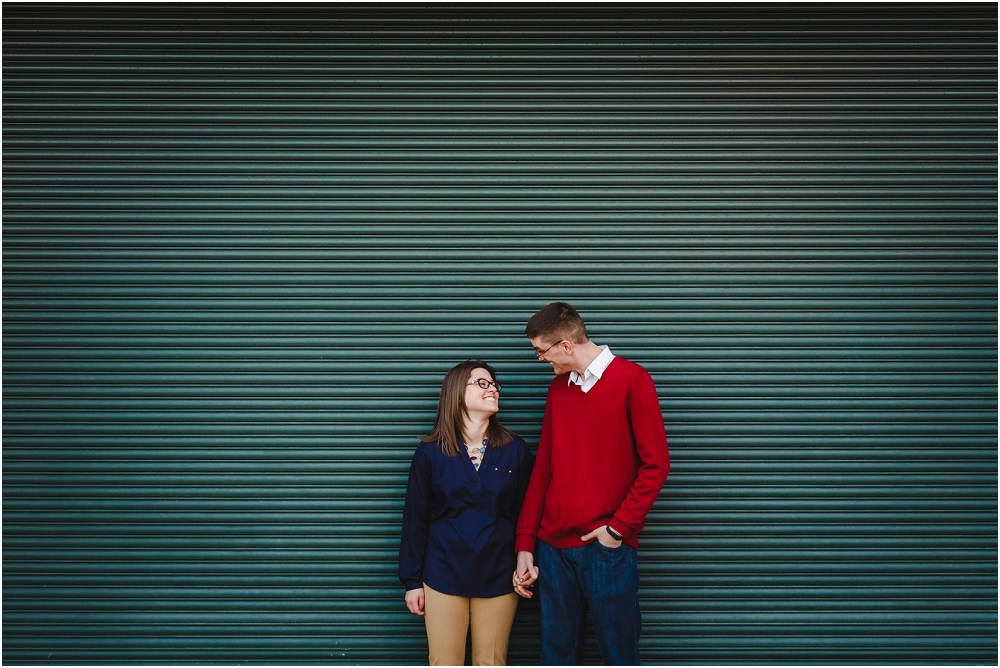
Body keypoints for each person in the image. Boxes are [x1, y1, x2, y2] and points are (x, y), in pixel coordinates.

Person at [512, 302, 670, 665]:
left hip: (605, 550)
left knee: (619, 655)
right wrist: (526, 543)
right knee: (556, 656)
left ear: (566, 346)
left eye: (541, 351)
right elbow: (544, 471)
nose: (539, 360)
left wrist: (617, 530)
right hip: (553, 550)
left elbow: (656, 465)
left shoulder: (633, 380)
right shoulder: (558, 390)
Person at [399, 359, 535, 666]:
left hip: (499, 575)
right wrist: (411, 581)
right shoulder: (431, 452)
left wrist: (526, 562)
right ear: (457, 391)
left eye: (494, 385)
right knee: (444, 662)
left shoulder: (515, 449)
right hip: (443, 574)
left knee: (491, 662)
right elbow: (415, 519)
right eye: (482, 383)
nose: (493, 390)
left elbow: (526, 514)